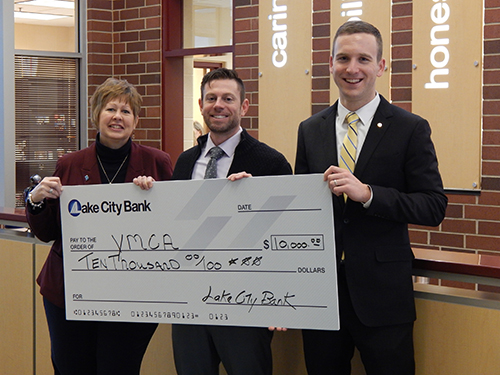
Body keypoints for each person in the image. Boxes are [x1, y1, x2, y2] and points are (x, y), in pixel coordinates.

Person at [295, 21, 448, 375]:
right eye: (343, 58)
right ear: (330, 64)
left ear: (381, 66)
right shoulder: (310, 129)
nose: (352, 68)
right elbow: (301, 210)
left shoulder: (410, 128)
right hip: (322, 296)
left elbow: (433, 205)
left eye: (364, 59)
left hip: (383, 299)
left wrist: (368, 195)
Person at [25, 77, 173, 375]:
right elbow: (48, 233)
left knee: (119, 368)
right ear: (96, 115)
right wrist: (36, 200)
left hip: (133, 296)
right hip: (70, 293)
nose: (118, 116)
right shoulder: (69, 163)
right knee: (71, 368)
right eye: (110, 109)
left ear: (136, 120)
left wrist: (156, 198)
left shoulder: (157, 163)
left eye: (126, 111)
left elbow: (173, 227)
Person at [171, 67, 292, 375]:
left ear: (244, 106)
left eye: (228, 98)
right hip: (190, 304)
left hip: (246, 305)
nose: (218, 105)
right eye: (211, 98)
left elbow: (288, 233)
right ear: (200, 105)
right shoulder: (185, 162)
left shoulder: (270, 163)